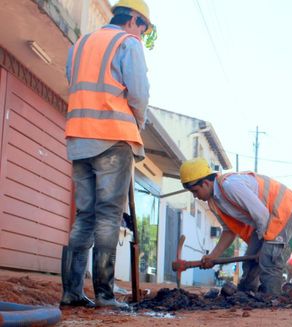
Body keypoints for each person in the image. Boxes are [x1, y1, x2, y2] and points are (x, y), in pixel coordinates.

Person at [59, 0, 154, 309]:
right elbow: (138, 93)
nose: (143, 33)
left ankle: (72, 291)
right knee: (108, 216)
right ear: (135, 21)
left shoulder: (82, 43)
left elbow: (72, 79)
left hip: (79, 138)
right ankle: (104, 295)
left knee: (84, 215)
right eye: (144, 27)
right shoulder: (128, 43)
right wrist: (137, 124)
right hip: (113, 138)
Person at [179, 158, 292, 295]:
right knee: (250, 261)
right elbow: (229, 231)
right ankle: (244, 296)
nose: (195, 196)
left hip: (284, 209)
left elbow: (261, 215)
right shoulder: (213, 202)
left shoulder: (230, 186)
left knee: (268, 259)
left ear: (206, 183)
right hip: (265, 221)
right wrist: (213, 256)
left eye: (195, 191)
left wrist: (264, 247)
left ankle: (273, 301)